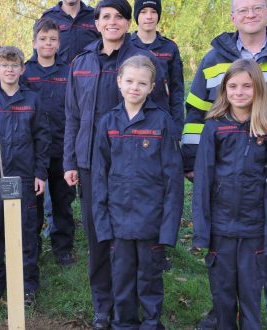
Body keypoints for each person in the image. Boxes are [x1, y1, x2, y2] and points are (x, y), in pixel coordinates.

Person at [182, 1, 267, 328]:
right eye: (242, 10)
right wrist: (191, 160)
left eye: (256, 7)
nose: (249, 14)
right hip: (225, 179)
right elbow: (196, 112)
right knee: (228, 250)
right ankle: (223, 308)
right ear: (233, 17)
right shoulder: (214, 59)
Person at [63, 1, 172, 328]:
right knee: (99, 238)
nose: (112, 22)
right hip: (90, 163)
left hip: (136, 167)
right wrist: (70, 159)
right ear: (96, 23)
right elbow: (71, 115)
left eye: (119, 17)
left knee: (135, 242)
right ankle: (103, 307)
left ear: (128, 23)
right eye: (106, 17)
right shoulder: (81, 62)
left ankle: (140, 309)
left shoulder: (143, 60)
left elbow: (162, 112)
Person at [192, 59, 267, 330]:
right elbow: (203, 183)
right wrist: (202, 231)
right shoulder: (214, 127)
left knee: (250, 299)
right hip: (220, 230)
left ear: (258, 89)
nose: (239, 92)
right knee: (222, 298)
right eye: (232, 86)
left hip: (253, 230)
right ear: (224, 90)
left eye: (247, 86)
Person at [91, 55, 183, 329]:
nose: (135, 87)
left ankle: (152, 323)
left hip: (151, 221)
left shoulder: (163, 123)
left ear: (152, 86)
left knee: (150, 278)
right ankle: (123, 322)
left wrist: (168, 229)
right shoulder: (108, 123)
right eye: (129, 81)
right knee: (122, 278)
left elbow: (173, 180)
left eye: (142, 83)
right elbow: (99, 178)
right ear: (119, 82)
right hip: (118, 221)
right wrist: (102, 224)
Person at [0, 46, 50, 306]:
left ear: (22, 69)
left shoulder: (33, 100)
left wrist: (40, 172)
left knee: (26, 231)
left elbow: (42, 139)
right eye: (4, 65)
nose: (10, 70)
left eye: (14, 66)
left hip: (25, 178)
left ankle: (27, 284)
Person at [21, 18, 78, 266]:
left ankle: (62, 246)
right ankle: (32, 243)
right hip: (31, 150)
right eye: (43, 39)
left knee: (63, 199)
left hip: (61, 147)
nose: (48, 43)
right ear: (34, 42)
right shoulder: (25, 72)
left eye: (52, 39)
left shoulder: (68, 72)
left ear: (59, 43)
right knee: (32, 201)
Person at [130, 0, 184, 138]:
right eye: (143, 12)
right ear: (136, 15)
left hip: (161, 121)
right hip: (131, 120)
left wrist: (176, 127)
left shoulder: (170, 48)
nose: (149, 16)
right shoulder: (127, 46)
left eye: (153, 11)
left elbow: (177, 90)